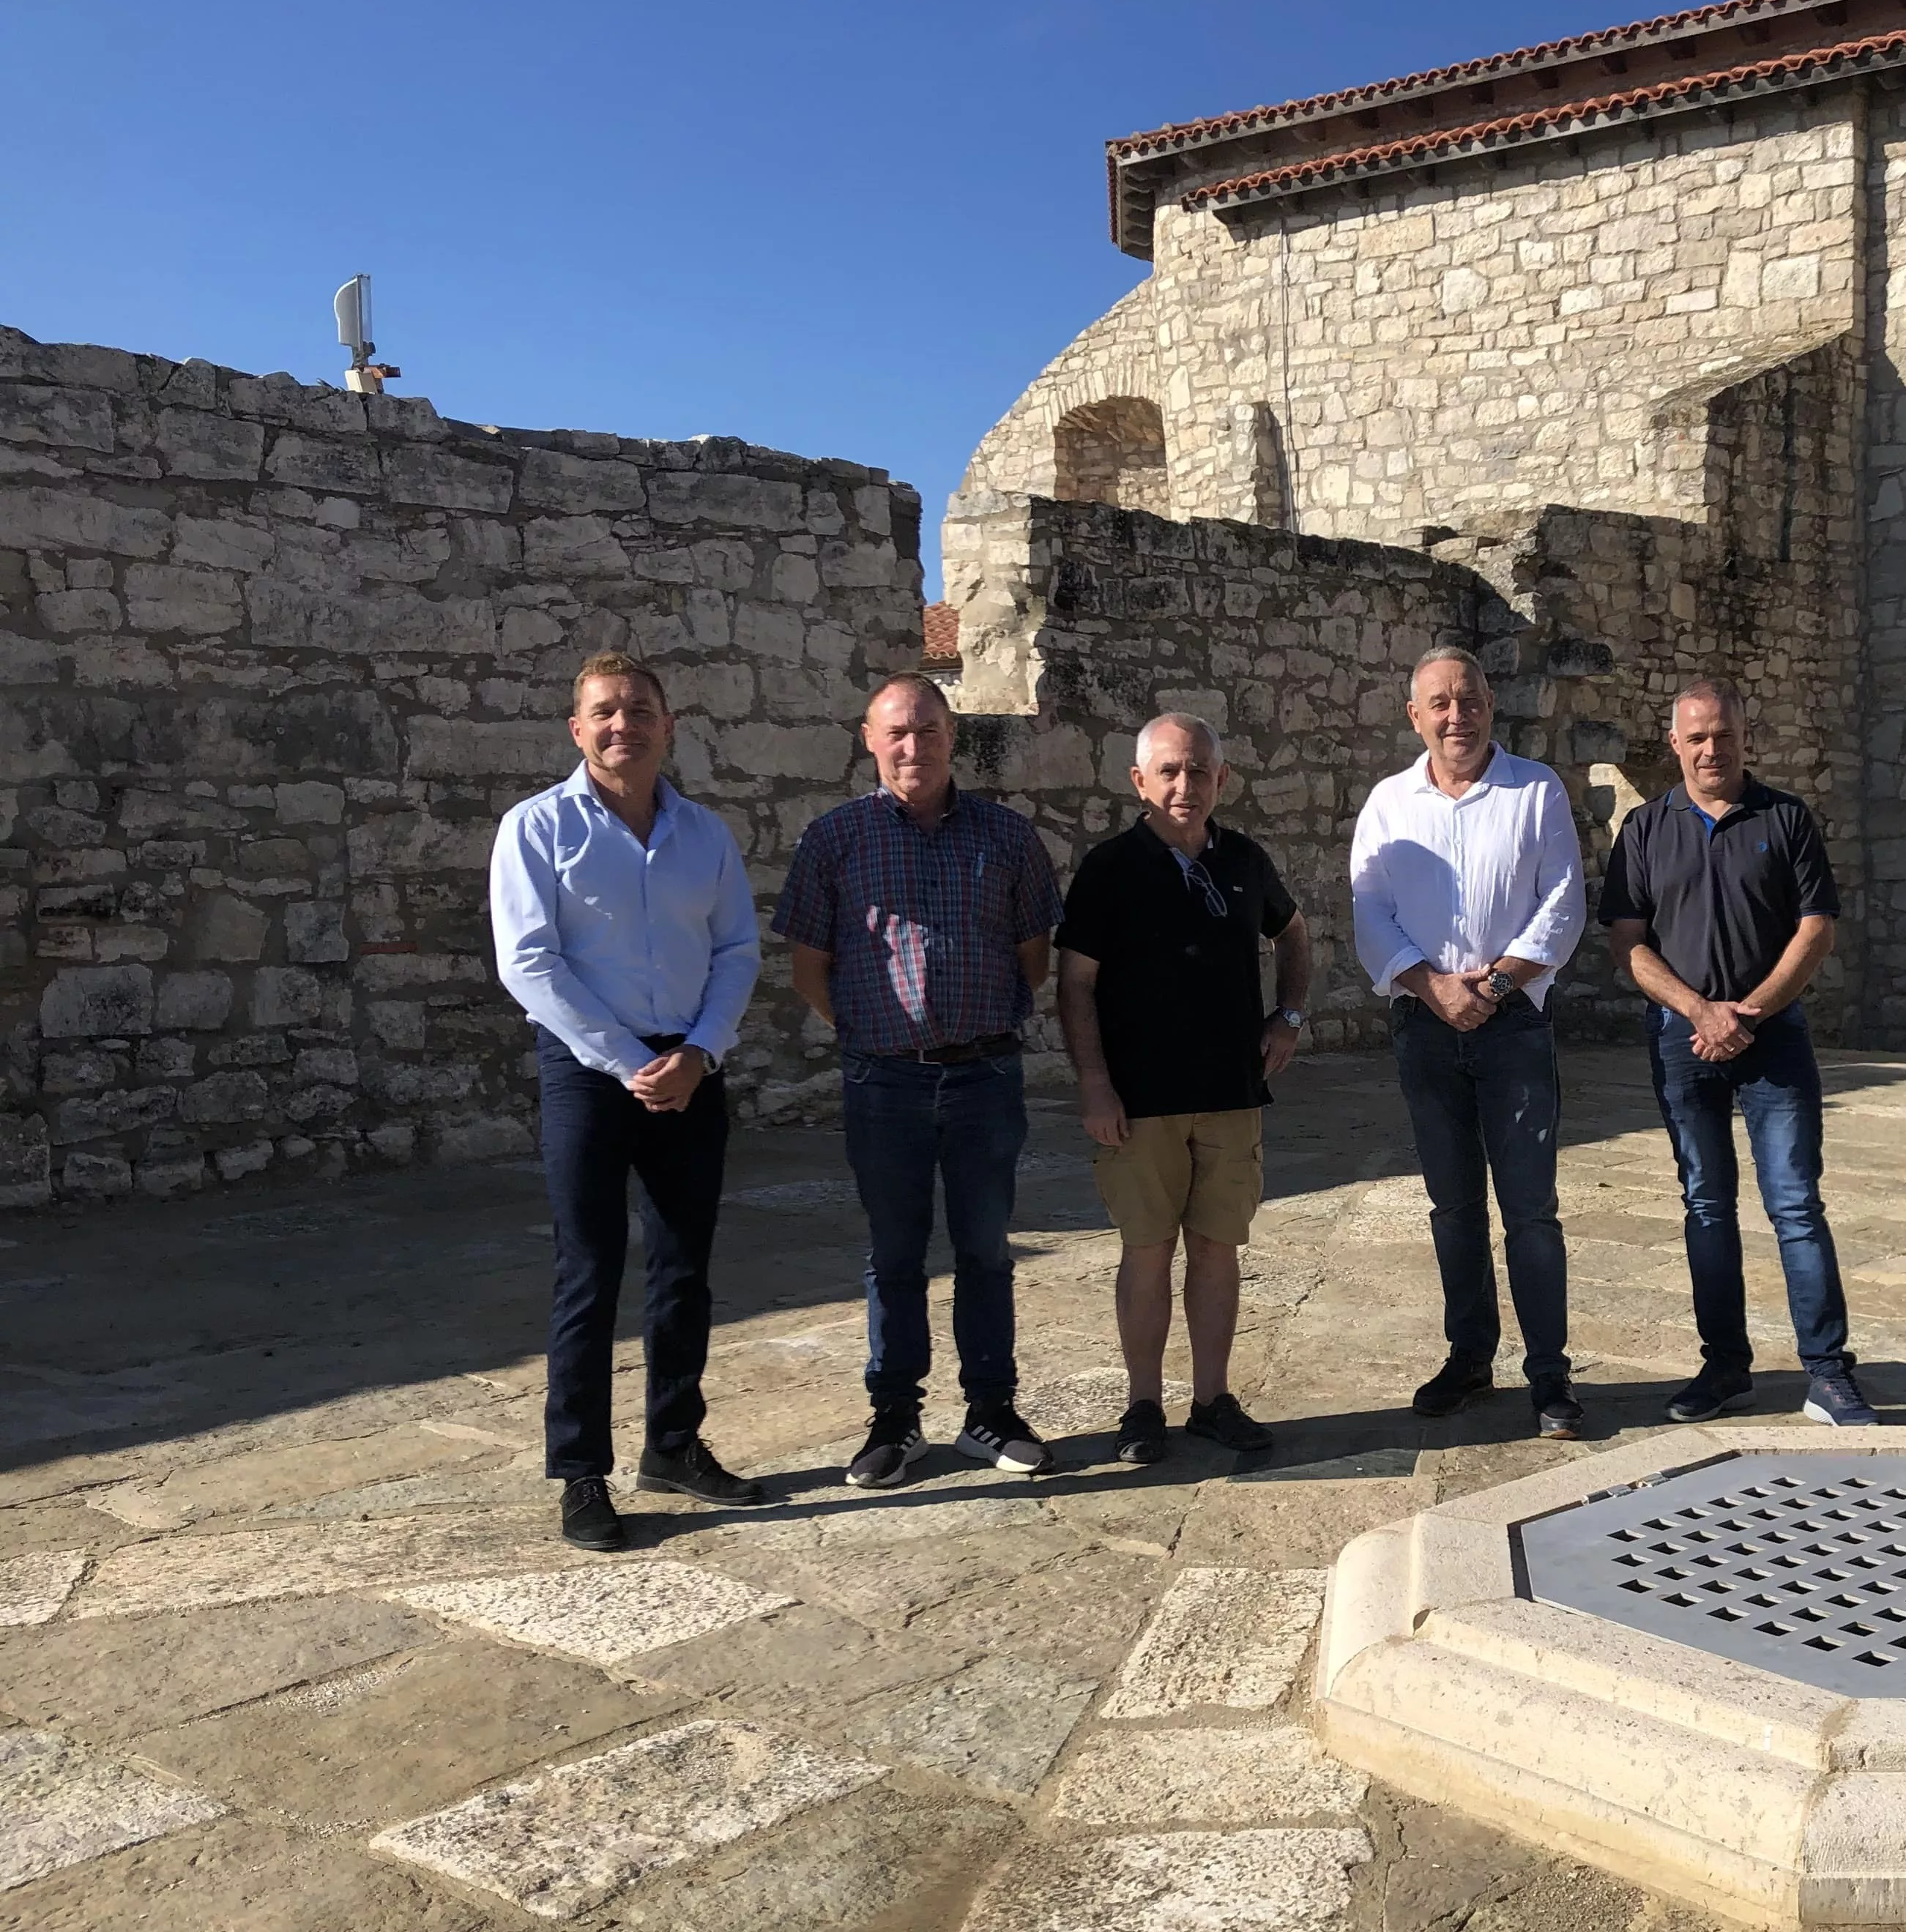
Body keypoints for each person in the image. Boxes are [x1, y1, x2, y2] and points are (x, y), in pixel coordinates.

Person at [491, 651, 765, 1551]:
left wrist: (699, 1052)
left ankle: (675, 1445)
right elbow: (530, 962)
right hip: (587, 1069)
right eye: (605, 712)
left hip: (690, 1065)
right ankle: (580, 1473)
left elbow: (736, 953)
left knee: (685, 1266)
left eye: (639, 710)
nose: (623, 726)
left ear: (668, 725)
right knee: (590, 1269)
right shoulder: (535, 829)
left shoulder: (705, 837)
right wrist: (623, 1061)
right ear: (578, 729)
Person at [773, 676, 1062, 1489]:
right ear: (870, 739)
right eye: (897, 732)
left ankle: (990, 1413)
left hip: (983, 1078)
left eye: (929, 731)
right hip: (885, 1084)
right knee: (894, 1256)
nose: (913, 747)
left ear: (952, 737)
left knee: (985, 1251)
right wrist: (875, 1037)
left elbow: (1033, 954)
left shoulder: (1007, 837)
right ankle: (895, 1419)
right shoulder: (834, 840)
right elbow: (809, 968)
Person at [1601, 680, 1878, 1428]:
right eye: (1696, 738)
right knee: (1706, 1205)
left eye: (1722, 735)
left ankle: (1827, 1373)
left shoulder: (1785, 818)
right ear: (1675, 745)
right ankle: (1725, 1368)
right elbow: (1628, 944)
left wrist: (1749, 1012)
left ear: (1743, 739)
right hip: (1683, 1041)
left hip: (1773, 1038)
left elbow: (1815, 929)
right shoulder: (1645, 831)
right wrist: (1699, 1011)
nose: (1711, 749)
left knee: (1795, 1204)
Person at [1057, 715, 1314, 1465]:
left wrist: (1289, 1016)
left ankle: (1212, 1398)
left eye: (1198, 771)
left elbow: (1292, 932)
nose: (1184, 785)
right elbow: (1076, 983)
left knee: (1217, 1248)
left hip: (1231, 1093)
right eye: (1168, 771)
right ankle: (1142, 1404)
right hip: (1138, 1102)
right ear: (1140, 781)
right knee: (1146, 1251)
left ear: (1221, 781)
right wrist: (1095, 1085)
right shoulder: (1110, 869)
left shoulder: (1245, 860)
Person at [1349, 646, 1588, 1437]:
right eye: (1440, 703)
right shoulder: (1389, 803)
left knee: (1530, 1210)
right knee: (1453, 1206)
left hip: (1511, 1022)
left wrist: (1490, 987)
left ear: (1491, 706)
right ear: (1415, 717)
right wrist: (1434, 987)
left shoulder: (1535, 790)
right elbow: (1369, 911)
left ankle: (1549, 1375)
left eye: (1470, 699)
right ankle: (1469, 1357)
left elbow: (1561, 905)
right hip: (1425, 1025)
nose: (1458, 715)